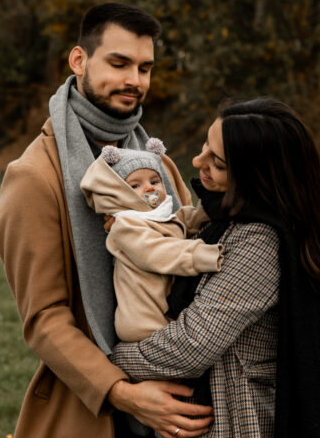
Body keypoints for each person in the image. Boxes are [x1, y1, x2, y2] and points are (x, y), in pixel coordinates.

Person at [0, 3, 213, 438]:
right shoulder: (34, 177)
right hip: (95, 413)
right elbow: (45, 320)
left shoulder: (157, 164)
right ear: (79, 61)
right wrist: (127, 395)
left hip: (177, 400)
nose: (135, 79)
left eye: (145, 67)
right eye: (119, 63)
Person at [110, 97, 320, 438]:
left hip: (234, 431)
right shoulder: (223, 217)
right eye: (206, 145)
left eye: (217, 163)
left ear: (255, 177)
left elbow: (190, 345)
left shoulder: (258, 241)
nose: (196, 161)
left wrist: (109, 362)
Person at [79, 138, 223, 343]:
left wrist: (205, 213)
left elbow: (181, 221)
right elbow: (155, 252)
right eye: (136, 185)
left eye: (154, 181)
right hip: (141, 320)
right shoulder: (125, 225)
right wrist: (199, 254)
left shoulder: (158, 216)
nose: (149, 189)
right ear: (118, 192)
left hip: (163, 311)